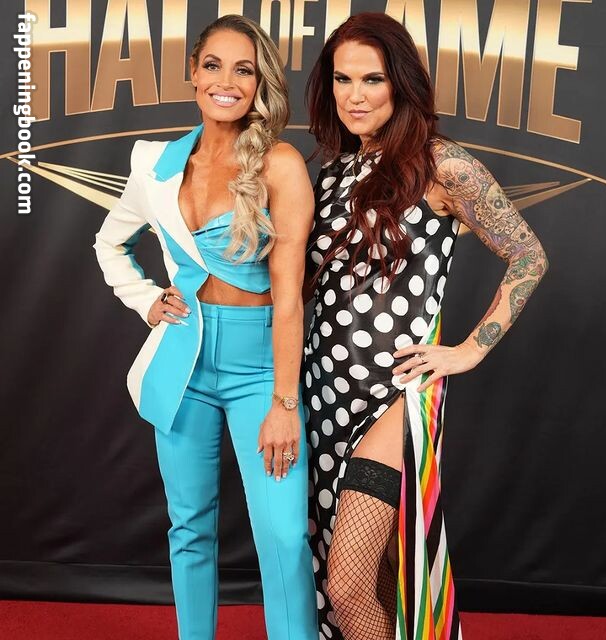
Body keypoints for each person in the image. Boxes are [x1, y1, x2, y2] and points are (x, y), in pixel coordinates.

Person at [303, 12, 548, 640]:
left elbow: (528, 255)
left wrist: (468, 350)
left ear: (402, 84)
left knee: (347, 584)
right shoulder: (327, 174)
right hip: (324, 395)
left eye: (373, 79)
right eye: (342, 79)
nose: (355, 95)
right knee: (379, 575)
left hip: (397, 397)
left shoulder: (442, 165)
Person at [93, 14, 317, 640]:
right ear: (193, 72)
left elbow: (290, 297)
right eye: (213, 65)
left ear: (259, 84)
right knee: (189, 526)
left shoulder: (279, 164)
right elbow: (109, 244)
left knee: (283, 535)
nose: (226, 81)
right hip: (182, 360)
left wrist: (284, 402)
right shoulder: (156, 164)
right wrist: (146, 300)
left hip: (259, 368)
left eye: (244, 70)